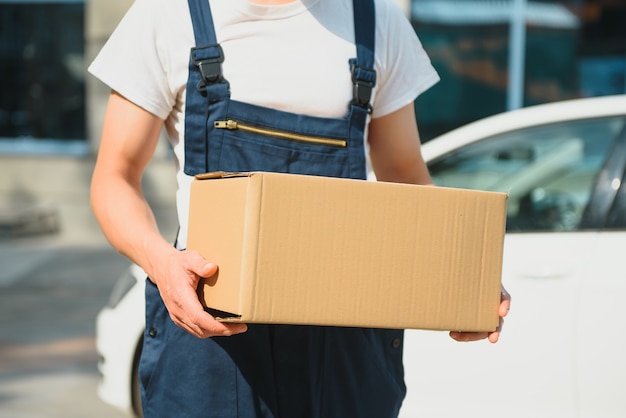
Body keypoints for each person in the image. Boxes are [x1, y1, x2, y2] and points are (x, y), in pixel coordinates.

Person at [89, 0, 511, 416]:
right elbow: (115, 179)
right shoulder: (169, 14)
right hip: (212, 350)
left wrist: (464, 276)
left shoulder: (377, 23)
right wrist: (162, 264)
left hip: (345, 349)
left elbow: (406, 178)